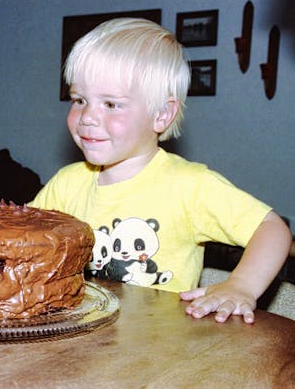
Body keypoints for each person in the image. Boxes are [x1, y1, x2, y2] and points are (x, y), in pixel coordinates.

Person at [29, 18, 291, 323]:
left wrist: (241, 285)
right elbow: (24, 241)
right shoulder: (66, 184)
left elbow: (272, 230)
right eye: (79, 100)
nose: (87, 116)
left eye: (111, 104)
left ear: (162, 115)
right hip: (79, 343)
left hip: (161, 354)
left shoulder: (190, 186)